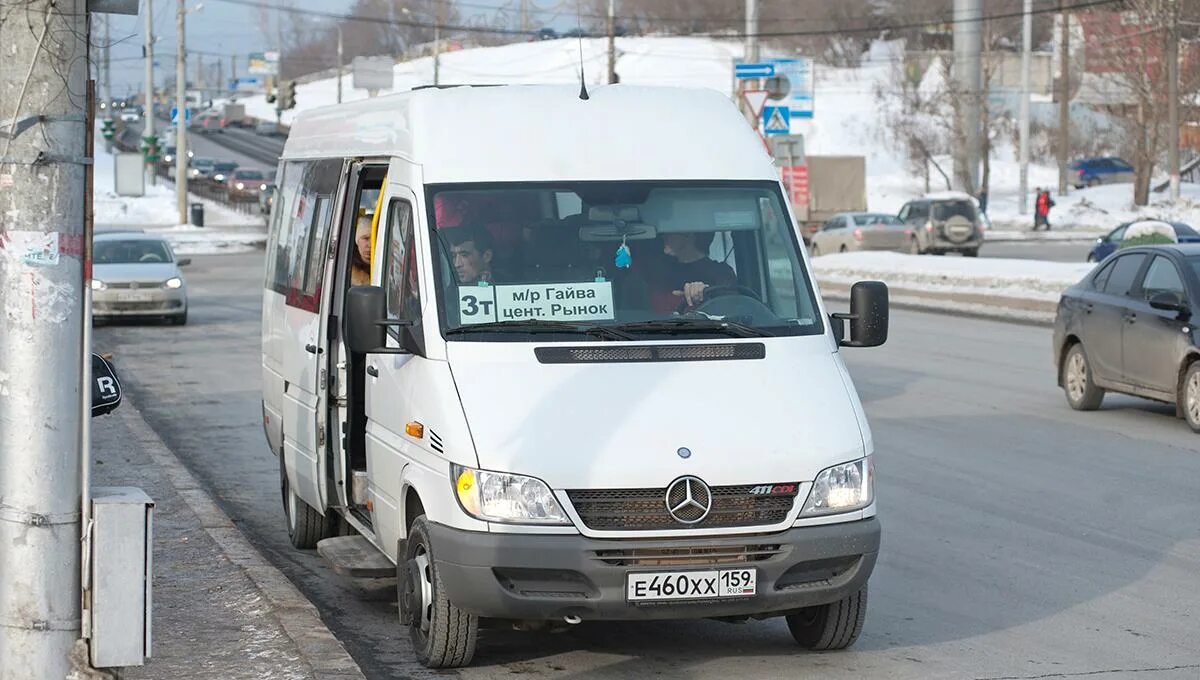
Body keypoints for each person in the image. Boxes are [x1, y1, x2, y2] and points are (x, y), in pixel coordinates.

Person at [660, 231, 736, 310]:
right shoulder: (661, 271)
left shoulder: (722, 272)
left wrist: (704, 294)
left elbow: (730, 307)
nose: (664, 236)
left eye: (670, 231)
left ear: (689, 234)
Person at [350, 214, 373, 286]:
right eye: (365, 238)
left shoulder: (388, 265)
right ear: (357, 241)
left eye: (375, 239)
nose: (370, 245)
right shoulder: (346, 268)